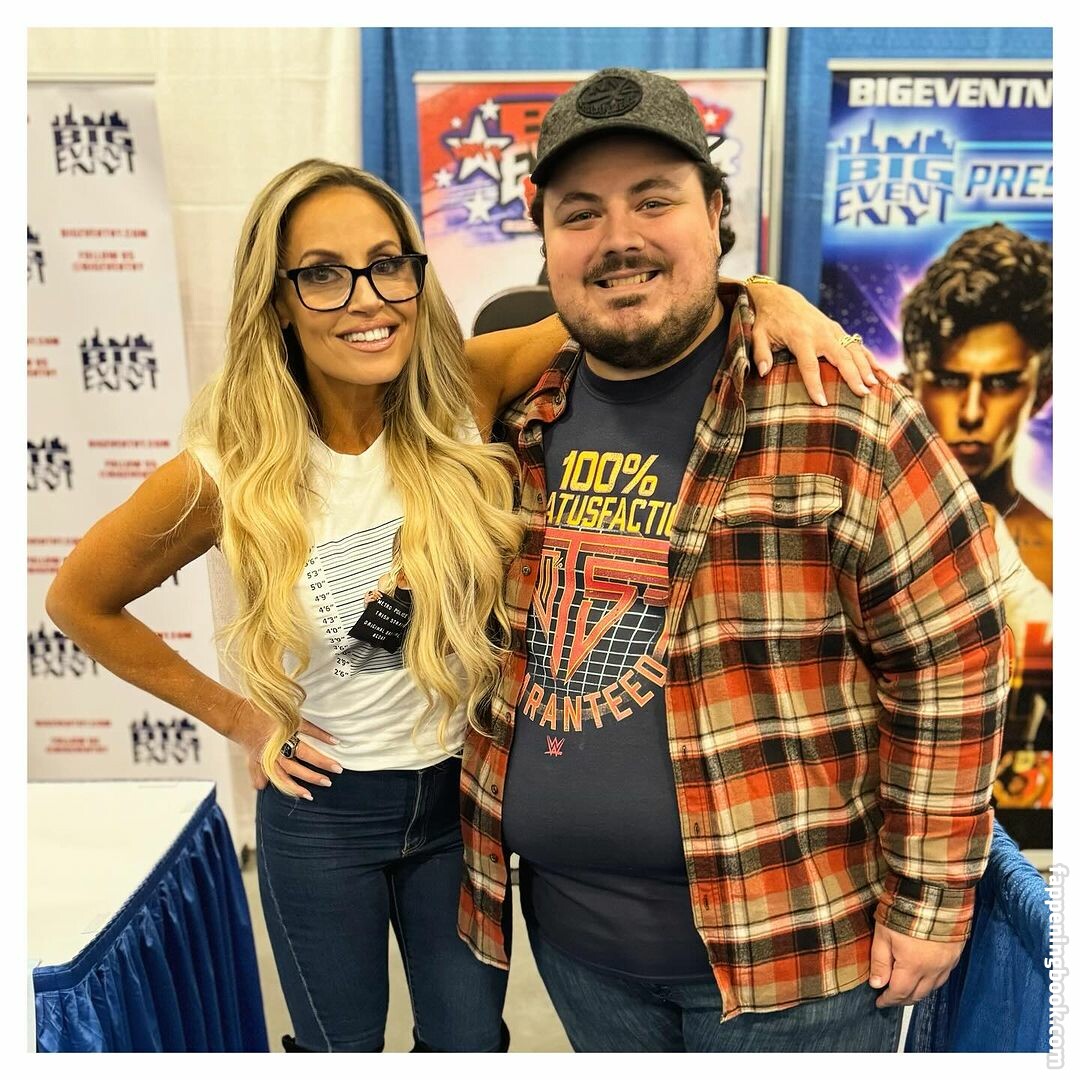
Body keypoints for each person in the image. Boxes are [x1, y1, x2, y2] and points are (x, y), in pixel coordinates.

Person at [44, 157, 869, 1053]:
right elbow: (79, 600)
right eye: (322, 274)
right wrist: (243, 721)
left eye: (385, 264)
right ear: (277, 300)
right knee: (338, 1049)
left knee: (469, 1043)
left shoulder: (464, 394)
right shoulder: (226, 468)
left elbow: (623, 300)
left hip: (461, 802)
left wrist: (770, 295)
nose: (365, 299)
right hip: (325, 814)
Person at [457, 68, 1011, 1053]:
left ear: (718, 215)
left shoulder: (843, 414)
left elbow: (953, 656)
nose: (618, 237)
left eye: (654, 200)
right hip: (575, 949)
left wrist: (931, 900)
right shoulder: (513, 419)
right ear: (543, 243)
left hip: (797, 965)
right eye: (580, 213)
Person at [900, 223, 1052, 590]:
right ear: (909, 387)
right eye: (949, 381)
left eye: (1001, 384)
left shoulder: (1057, 558)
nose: (971, 414)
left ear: (1040, 395)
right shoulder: (863, 534)